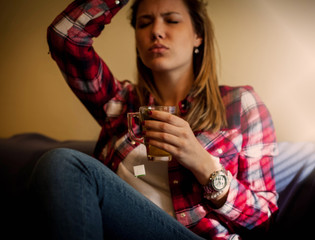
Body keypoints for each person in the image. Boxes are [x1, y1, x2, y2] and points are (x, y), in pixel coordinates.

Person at [29, 0, 279, 239]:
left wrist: (205, 167)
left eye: (171, 20)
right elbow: (65, 38)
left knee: (64, 162)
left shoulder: (239, 104)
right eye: (144, 23)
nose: (156, 31)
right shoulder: (119, 102)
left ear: (198, 35)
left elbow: (263, 221)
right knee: (60, 163)